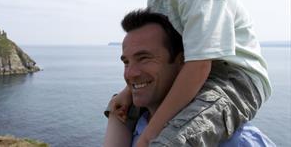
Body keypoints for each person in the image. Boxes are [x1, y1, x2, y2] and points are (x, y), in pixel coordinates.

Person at [108, 0, 272, 146]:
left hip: (235, 79)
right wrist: (127, 92)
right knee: (118, 108)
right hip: (191, 72)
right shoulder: (156, 0)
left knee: (173, 140)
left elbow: (199, 66)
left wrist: (150, 134)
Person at [103, 9, 275, 147]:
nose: (130, 73)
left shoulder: (237, 141)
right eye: (126, 62)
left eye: (144, 58)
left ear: (183, 62)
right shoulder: (129, 128)